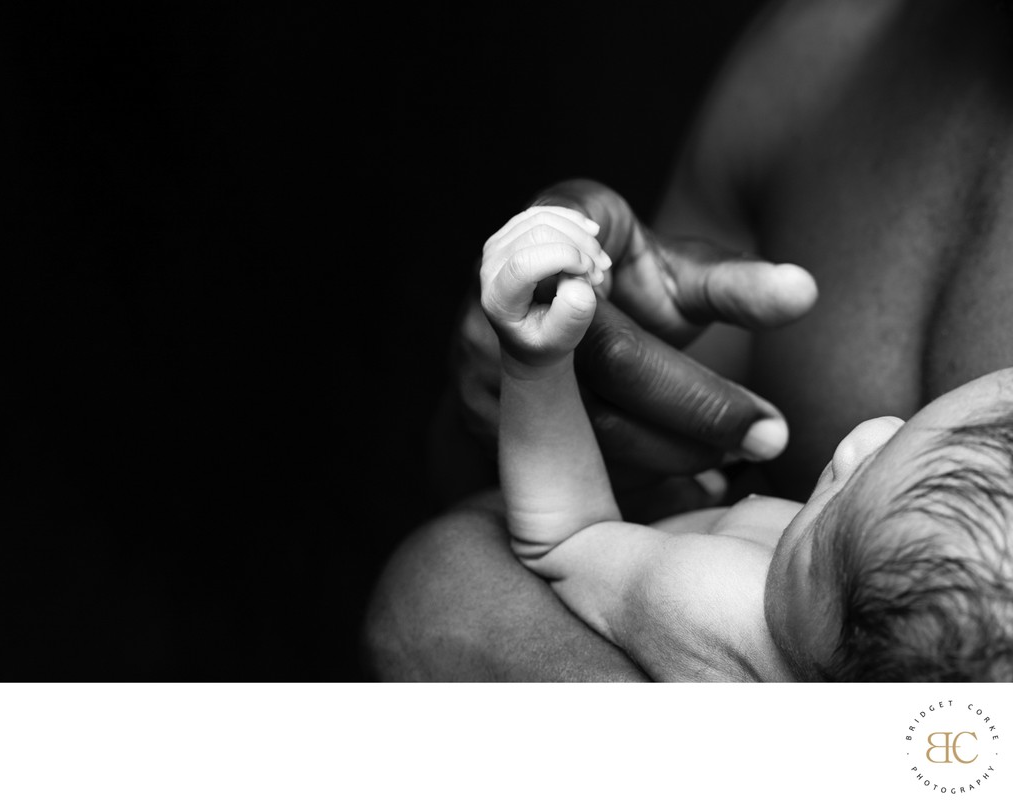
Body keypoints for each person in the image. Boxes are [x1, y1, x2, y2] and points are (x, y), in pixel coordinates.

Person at [365, 0, 1013, 681]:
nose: (867, 436)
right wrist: (535, 354)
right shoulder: (832, 47)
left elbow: (559, 545)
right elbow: (479, 492)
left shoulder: (720, 598)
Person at [481, 204, 1013, 681]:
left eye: (855, 490)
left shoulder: (709, 594)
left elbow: (565, 540)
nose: (870, 435)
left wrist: (535, 364)